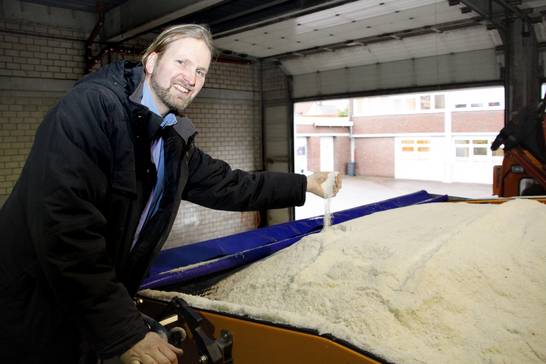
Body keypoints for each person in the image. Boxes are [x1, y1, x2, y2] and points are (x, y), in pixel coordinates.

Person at [0, 24, 341, 364]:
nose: (190, 78)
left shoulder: (171, 140)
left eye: (200, 72)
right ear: (151, 61)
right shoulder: (92, 110)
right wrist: (124, 332)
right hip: (32, 305)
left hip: (85, 307)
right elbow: (65, 230)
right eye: (181, 62)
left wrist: (305, 184)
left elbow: (232, 184)